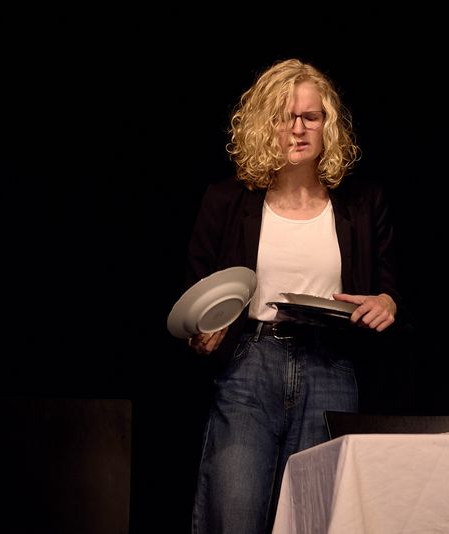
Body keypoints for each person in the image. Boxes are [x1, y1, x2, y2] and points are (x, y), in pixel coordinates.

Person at [183, 58, 400, 533]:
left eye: (311, 117)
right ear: (266, 124)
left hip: (330, 366)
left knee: (315, 516)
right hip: (250, 365)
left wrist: (386, 303)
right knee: (235, 512)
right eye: (285, 117)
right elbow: (198, 296)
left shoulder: (361, 203)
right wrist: (203, 332)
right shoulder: (227, 200)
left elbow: (388, 287)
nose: (298, 129)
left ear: (328, 125)